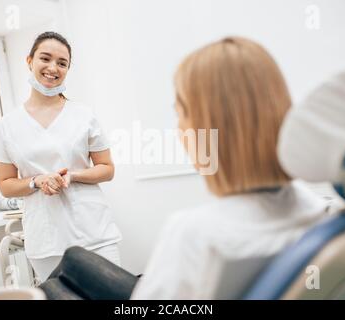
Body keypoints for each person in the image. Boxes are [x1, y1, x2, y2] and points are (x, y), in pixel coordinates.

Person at [42, 36, 329, 299]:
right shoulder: (315, 207)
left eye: (181, 113)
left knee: (53, 287)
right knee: (73, 259)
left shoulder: (196, 232)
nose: (180, 130)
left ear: (207, 128)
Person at [0, 31, 122, 283]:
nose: (53, 68)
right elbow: (5, 185)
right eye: (45, 59)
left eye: (62, 63)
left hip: (94, 233)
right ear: (29, 61)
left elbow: (107, 168)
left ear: (68, 69)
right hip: (46, 240)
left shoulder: (83, 115)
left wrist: (73, 175)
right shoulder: (8, 125)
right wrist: (36, 181)